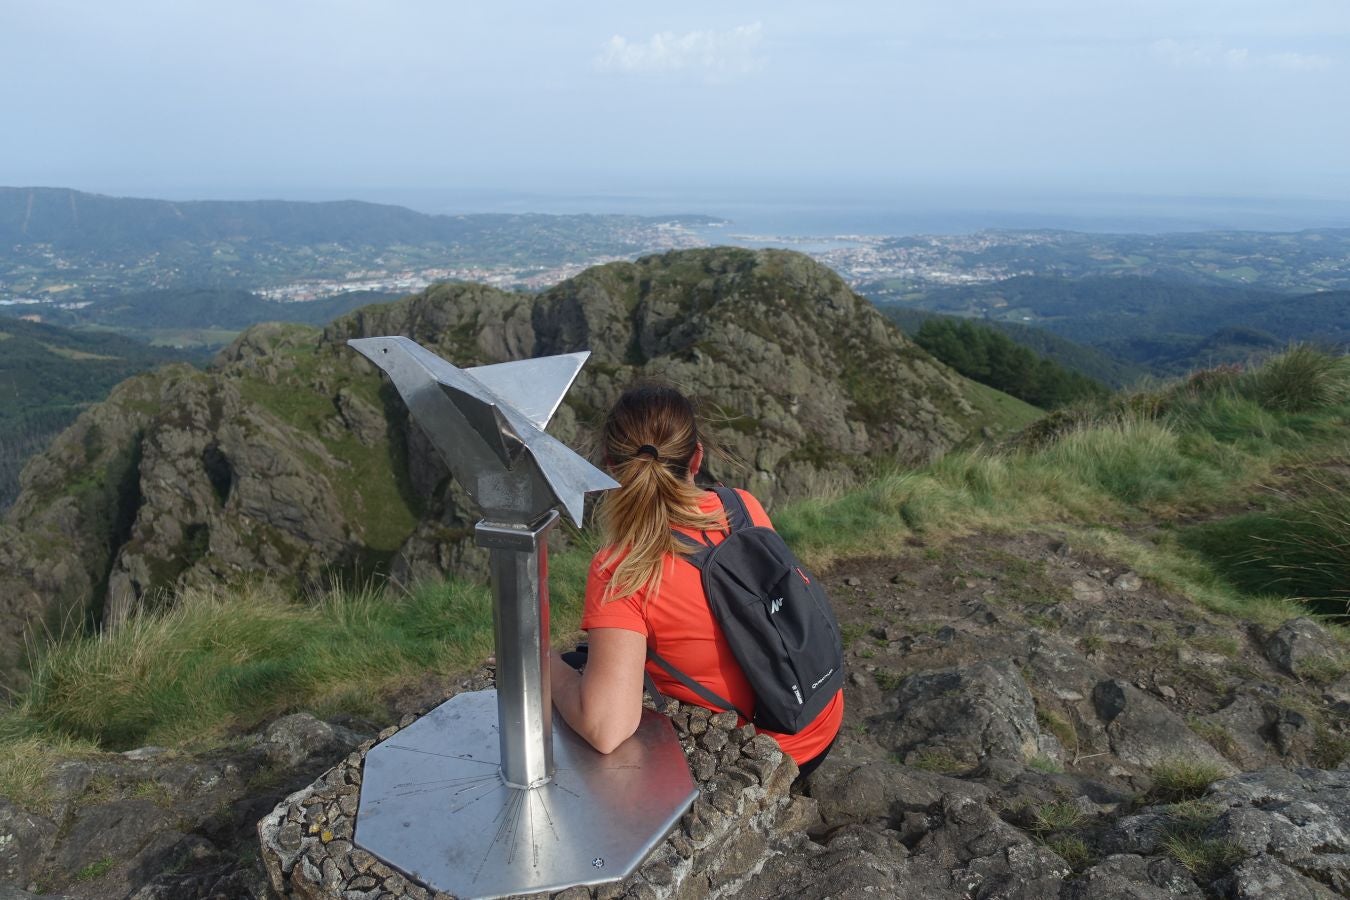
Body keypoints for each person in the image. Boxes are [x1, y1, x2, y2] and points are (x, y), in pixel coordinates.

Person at [549, 384, 843, 778]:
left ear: (610, 467)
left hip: (773, 755)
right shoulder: (741, 505)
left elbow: (606, 729)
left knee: (573, 678)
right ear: (697, 457)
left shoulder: (621, 567)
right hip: (821, 718)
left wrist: (541, 662)